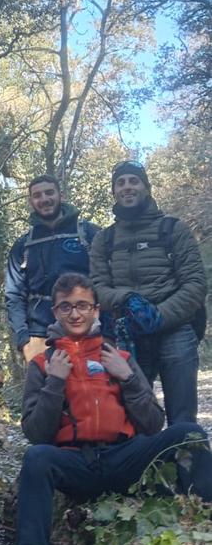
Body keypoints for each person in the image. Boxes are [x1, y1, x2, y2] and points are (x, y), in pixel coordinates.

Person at [6, 273, 212, 545]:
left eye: (82, 305)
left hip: (124, 458)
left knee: (188, 432)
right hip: (77, 465)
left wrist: (128, 377)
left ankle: (204, 521)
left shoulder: (119, 355)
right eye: (66, 307)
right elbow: (36, 433)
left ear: (95, 310)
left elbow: (152, 423)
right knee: (37, 457)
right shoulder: (42, 364)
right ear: (55, 312)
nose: (75, 314)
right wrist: (55, 382)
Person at [90, 161, 207, 425]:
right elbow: (97, 287)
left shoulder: (174, 229)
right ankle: (145, 465)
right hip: (128, 334)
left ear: (146, 187)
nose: (127, 187)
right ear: (114, 191)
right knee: (134, 418)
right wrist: (126, 301)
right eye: (121, 182)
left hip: (175, 330)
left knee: (183, 419)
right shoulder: (103, 240)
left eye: (134, 181)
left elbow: (195, 283)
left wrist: (158, 316)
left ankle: (186, 462)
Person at [5, 175, 100, 363]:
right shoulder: (24, 244)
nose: (44, 199)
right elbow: (14, 294)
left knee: (94, 389)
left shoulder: (88, 233)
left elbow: (107, 280)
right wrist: (23, 338)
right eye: (37, 195)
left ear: (61, 195)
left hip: (88, 329)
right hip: (40, 334)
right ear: (31, 201)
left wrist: (107, 325)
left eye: (49, 192)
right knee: (45, 391)